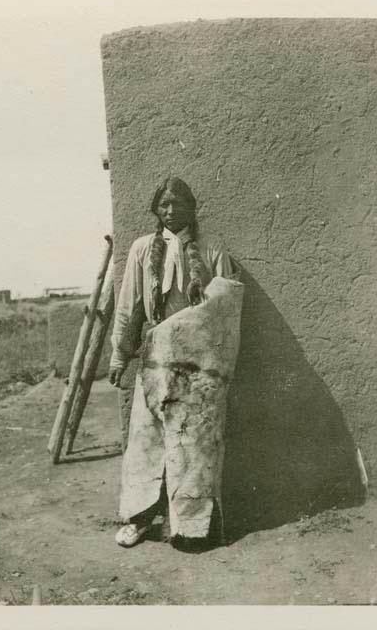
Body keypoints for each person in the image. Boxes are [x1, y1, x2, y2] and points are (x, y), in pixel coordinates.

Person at [109, 176, 235, 551]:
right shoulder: (142, 250)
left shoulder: (212, 251)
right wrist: (119, 353)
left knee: (195, 446)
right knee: (147, 444)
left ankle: (194, 527)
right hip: (154, 359)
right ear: (155, 209)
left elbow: (226, 312)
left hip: (198, 366)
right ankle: (140, 520)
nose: (170, 210)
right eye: (163, 204)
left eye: (177, 204)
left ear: (191, 209)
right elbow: (130, 305)